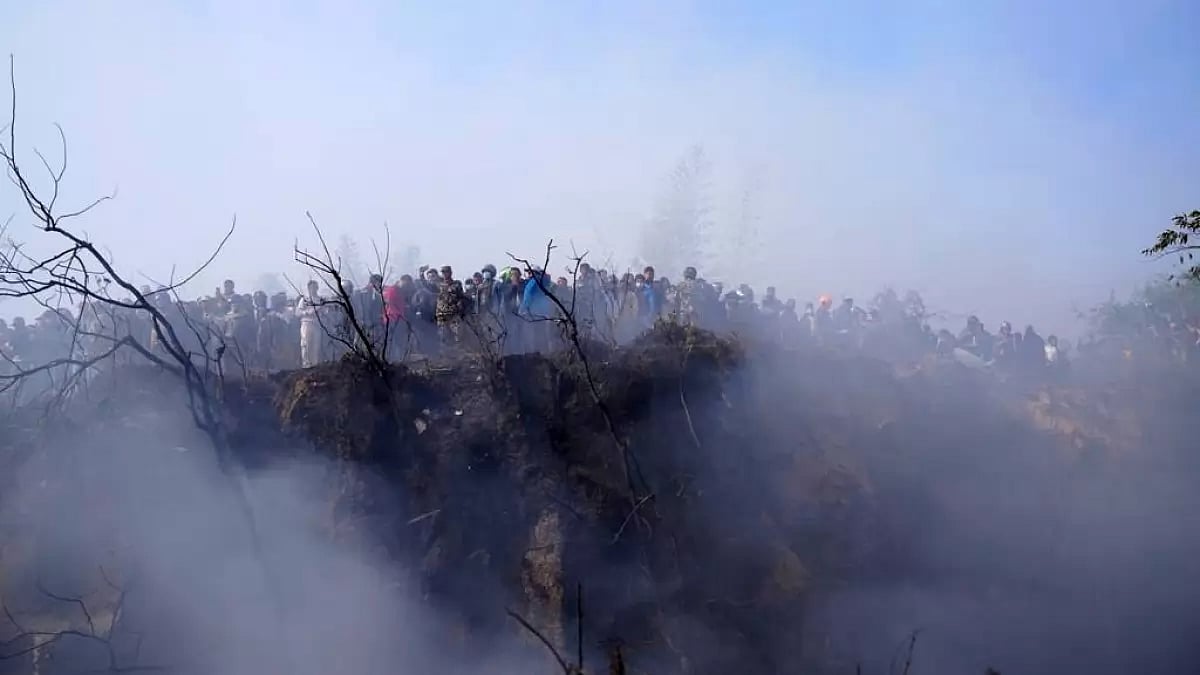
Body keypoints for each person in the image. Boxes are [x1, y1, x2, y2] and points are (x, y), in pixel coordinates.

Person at [297, 280, 323, 368]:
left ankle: (315, 365)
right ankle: (306, 365)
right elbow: (298, 312)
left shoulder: (320, 300)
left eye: (315, 287)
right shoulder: (304, 300)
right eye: (311, 288)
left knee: (315, 346)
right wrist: (307, 313)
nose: (313, 289)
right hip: (306, 324)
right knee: (306, 345)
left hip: (317, 324)